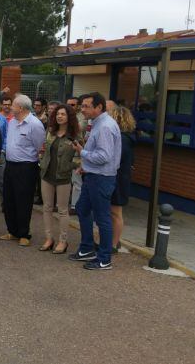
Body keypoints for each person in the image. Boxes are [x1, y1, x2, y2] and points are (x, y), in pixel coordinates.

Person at [69, 92, 121, 270]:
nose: (82, 109)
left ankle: (104, 258)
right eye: (82, 106)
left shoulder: (105, 126)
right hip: (93, 175)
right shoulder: (97, 124)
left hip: (101, 178)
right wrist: (86, 165)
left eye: (86, 106)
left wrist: (82, 152)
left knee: (102, 218)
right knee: (82, 209)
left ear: (99, 107)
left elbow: (104, 156)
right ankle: (87, 248)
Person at [0, 94, 45, 246]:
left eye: (13, 105)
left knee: (23, 201)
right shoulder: (12, 122)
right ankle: (12, 231)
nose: (10, 107)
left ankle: (24, 234)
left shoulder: (35, 124)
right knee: (8, 199)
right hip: (10, 165)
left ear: (20, 107)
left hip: (26, 167)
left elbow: (40, 146)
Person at [38, 104, 80, 254]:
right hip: (47, 174)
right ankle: (49, 239)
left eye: (63, 114)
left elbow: (82, 157)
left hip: (63, 176)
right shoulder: (50, 132)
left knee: (62, 210)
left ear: (69, 117)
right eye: (58, 114)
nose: (59, 116)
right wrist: (41, 158)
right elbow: (43, 150)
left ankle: (63, 241)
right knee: (47, 208)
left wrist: (71, 165)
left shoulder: (75, 135)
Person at [107, 102, 136, 253]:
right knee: (110, 212)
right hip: (120, 178)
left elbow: (116, 159)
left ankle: (114, 243)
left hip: (118, 179)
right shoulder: (126, 138)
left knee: (116, 212)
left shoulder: (123, 139)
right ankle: (110, 240)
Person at [66, 96, 87, 215]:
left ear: (78, 106)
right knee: (67, 181)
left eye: (73, 105)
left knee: (77, 181)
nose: (70, 107)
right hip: (66, 154)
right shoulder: (66, 116)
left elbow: (78, 129)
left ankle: (75, 206)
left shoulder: (81, 118)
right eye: (68, 104)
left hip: (77, 155)